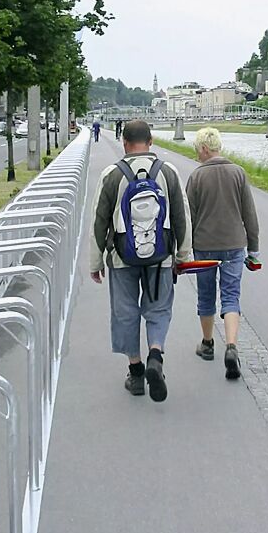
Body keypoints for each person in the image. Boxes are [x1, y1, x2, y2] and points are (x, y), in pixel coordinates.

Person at [90, 119, 192, 402]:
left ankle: (135, 373)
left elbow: (99, 221)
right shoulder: (168, 172)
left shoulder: (112, 174)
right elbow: (183, 217)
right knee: (158, 309)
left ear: (124, 142)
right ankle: (155, 356)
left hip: (122, 258)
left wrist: (95, 261)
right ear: (151, 141)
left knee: (125, 311)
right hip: (160, 257)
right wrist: (183, 256)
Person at [185, 127, 259, 380]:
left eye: (197, 150)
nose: (197, 155)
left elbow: (188, 218)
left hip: (204, 245)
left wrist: (183, 251)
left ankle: (207, 344)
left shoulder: (195, 178)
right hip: (234, 245)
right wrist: (254, 247)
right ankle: (231, 346)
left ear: (205, 149)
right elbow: (249, 214)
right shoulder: (238, 173)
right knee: (231, 296)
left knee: (206, 296)